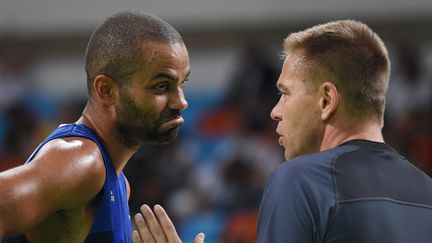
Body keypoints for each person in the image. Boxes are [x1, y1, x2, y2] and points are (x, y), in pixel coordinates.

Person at [0, 11, 204, 243]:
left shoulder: (117, 181)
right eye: (161, 86)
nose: (181, 101)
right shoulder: (80, 161)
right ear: (106, 90)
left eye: (182, 84)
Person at [257, 20, 432, 242]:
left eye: (285, 93)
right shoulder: (428, 190)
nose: (275, 111)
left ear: (327, 100)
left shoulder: (301, 181)